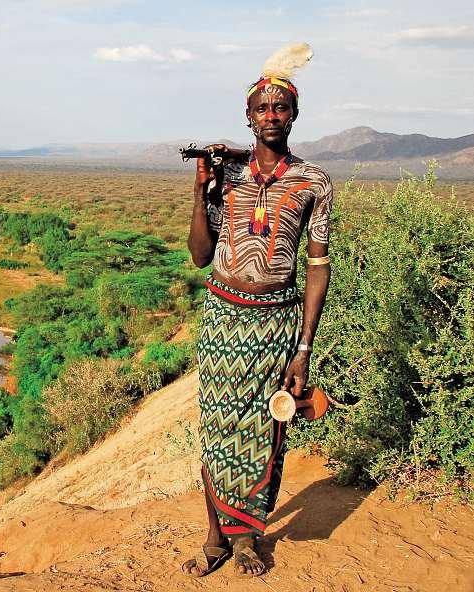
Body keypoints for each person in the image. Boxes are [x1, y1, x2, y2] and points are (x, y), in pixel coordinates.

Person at [182, 43, 332, 578]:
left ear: (294, 114)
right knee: (218, 427)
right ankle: (215, 534)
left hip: (277, 322)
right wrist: (202, 191)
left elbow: (317, 266)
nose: (272, 116)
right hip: (224, 316)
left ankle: (248, 537)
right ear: (248, 117)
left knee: (264, 428)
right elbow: (200, 255)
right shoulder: (230, 176)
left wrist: (305, 349)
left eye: (281, 107)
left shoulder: (313, 182)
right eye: (262, 108)